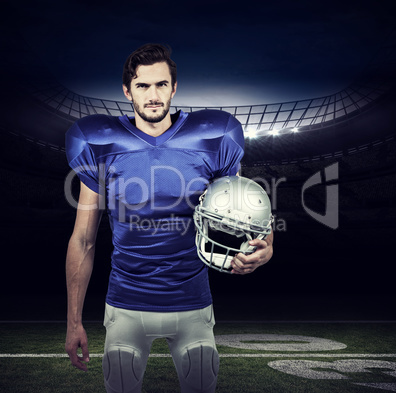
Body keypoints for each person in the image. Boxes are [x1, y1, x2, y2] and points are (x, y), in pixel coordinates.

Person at [64, 43, 273, 393]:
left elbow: (246, 206)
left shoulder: (212, 136)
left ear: (174, 88)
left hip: (193, 302)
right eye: (143, 86)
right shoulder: (101, 143)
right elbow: (83, 239)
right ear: (127, 91)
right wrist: (73, 322)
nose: (153, 95)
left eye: (161, 84)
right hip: (126, 303)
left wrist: (267, 247)